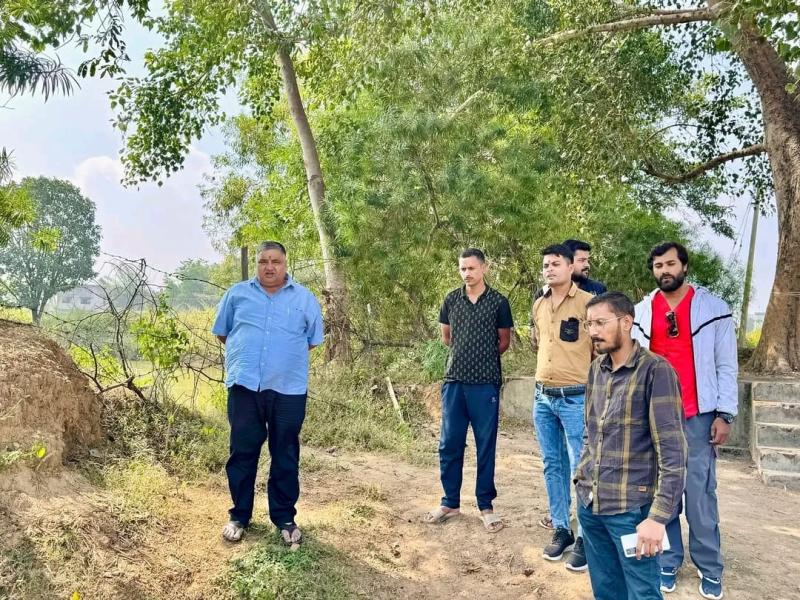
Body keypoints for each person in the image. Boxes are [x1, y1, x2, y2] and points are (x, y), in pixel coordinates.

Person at [632, 241, 738, 600]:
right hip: (654, 417)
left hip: (697, 416)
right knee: (662, 492)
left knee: (700, 496)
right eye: (658, 265)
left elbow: (726, 365)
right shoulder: (642, 312)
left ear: (684, 267)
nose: (665, 271)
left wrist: (724, 413)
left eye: (670, 264)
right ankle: (667, 560)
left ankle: (710, 567)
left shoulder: (713, 309)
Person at [576, 291, 687, 600]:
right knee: (606, 591)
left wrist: (657, 518)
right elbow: (590, 432)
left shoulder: (656, 371)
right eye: (589, 324)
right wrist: (581, 478)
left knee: (642, 593)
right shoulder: (596, 369)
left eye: (600, 323)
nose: (593, 331)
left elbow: (674, 455)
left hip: (630, 511)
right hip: (591, 505)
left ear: (626, 322)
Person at [212, 241, 324, 546]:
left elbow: (312, 340)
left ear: (286, 264)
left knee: (285, 452)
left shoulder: (304, 299)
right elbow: (224, 332)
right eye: (264, 261)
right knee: (242, 452)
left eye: (276, 261)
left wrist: (281, 358)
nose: (269, 267)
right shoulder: (237, 295)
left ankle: (284, 517)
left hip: (289, 389)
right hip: (245, 386)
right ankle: (239, 516)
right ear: (257, 265)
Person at [425, 248, 514, 533]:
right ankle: (450, 502)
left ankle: (486, 506)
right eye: (463, 269)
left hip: (485, 384)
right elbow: (447, 337)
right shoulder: (451, 299)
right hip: (454, 382)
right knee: (449, 444)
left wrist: (482, 358)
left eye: (472, 268)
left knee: (485, 445)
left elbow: (503, 341)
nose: (467, 273)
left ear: (484, 268)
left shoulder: (499, 302)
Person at [530, 244, 593, 571]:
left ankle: (585, 537)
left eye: (556, 264)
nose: (549, 269)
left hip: (576, 398)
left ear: (571, 267)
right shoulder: (539, 304)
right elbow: (540, 344)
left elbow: (599, 351)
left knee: (581, 469)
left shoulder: (588, 304)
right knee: (552, 464)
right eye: (545, 265)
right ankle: (561, 529)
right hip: (543, 397)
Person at [533, 239, 607, 305]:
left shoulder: (598, 289)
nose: (587, 265)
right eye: (581, 260)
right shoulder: (543, 293)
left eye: (587, 260)